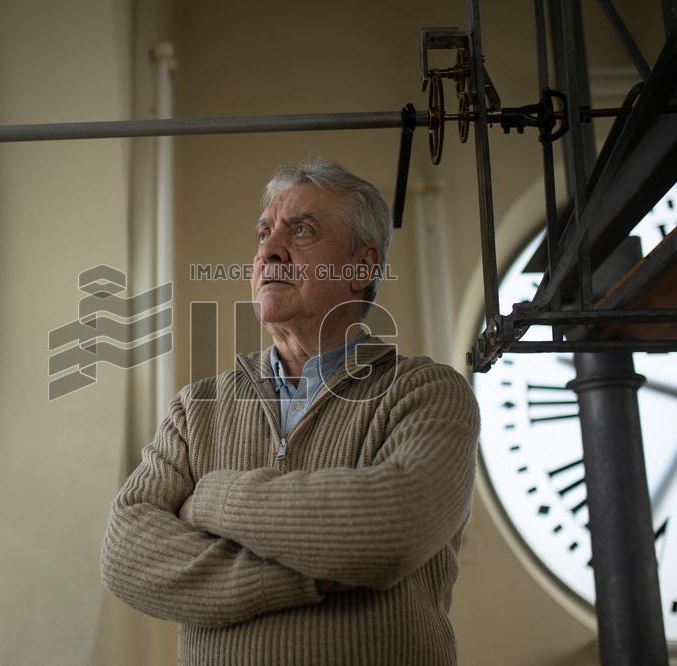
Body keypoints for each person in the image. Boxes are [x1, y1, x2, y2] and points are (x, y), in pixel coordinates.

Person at [100, 158, 480, 665]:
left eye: (301, 231)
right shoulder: (197, 408)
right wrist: (303, 575)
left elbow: (389, 529)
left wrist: (211, 497)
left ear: (361, 268)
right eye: (264, 233)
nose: (269, 250)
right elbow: (126, 554)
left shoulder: (427, 392)